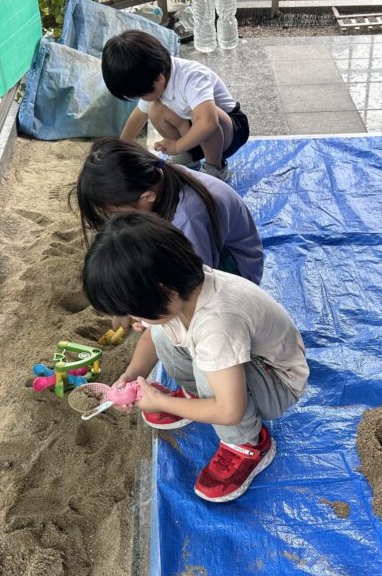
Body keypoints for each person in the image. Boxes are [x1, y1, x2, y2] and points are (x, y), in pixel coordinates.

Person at [82, 212, 308, 503]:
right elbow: (151, 337)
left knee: (208, 369)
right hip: (239, 361)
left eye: (135, 310)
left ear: (164, 291)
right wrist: (131, 375)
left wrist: (161, 402)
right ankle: (195, 399)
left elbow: (230, 411)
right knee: (162, 333)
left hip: (278, 382)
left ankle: (247, 443)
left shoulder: (217, 324)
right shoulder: (181, 289)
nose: (135, 319)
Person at [73, 136, 263, 285]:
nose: (115, 218)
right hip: (205, 249)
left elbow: (198, 281)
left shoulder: (187, 216)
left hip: (236, 271)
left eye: (117, 212)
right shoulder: (160, 176)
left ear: (147, 197)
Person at [102, 30, 250, 180]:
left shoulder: (191, 77)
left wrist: (177, 146)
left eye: (141, 95)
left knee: (206, 117)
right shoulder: (154, 74)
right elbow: (139, 116)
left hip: (230, 133)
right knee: (155, 110)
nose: (141, 98)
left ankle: (214, 167)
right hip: (197, 131)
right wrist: (121, 147)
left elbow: (209, 122)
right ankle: (188, 155)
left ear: (159, 79)